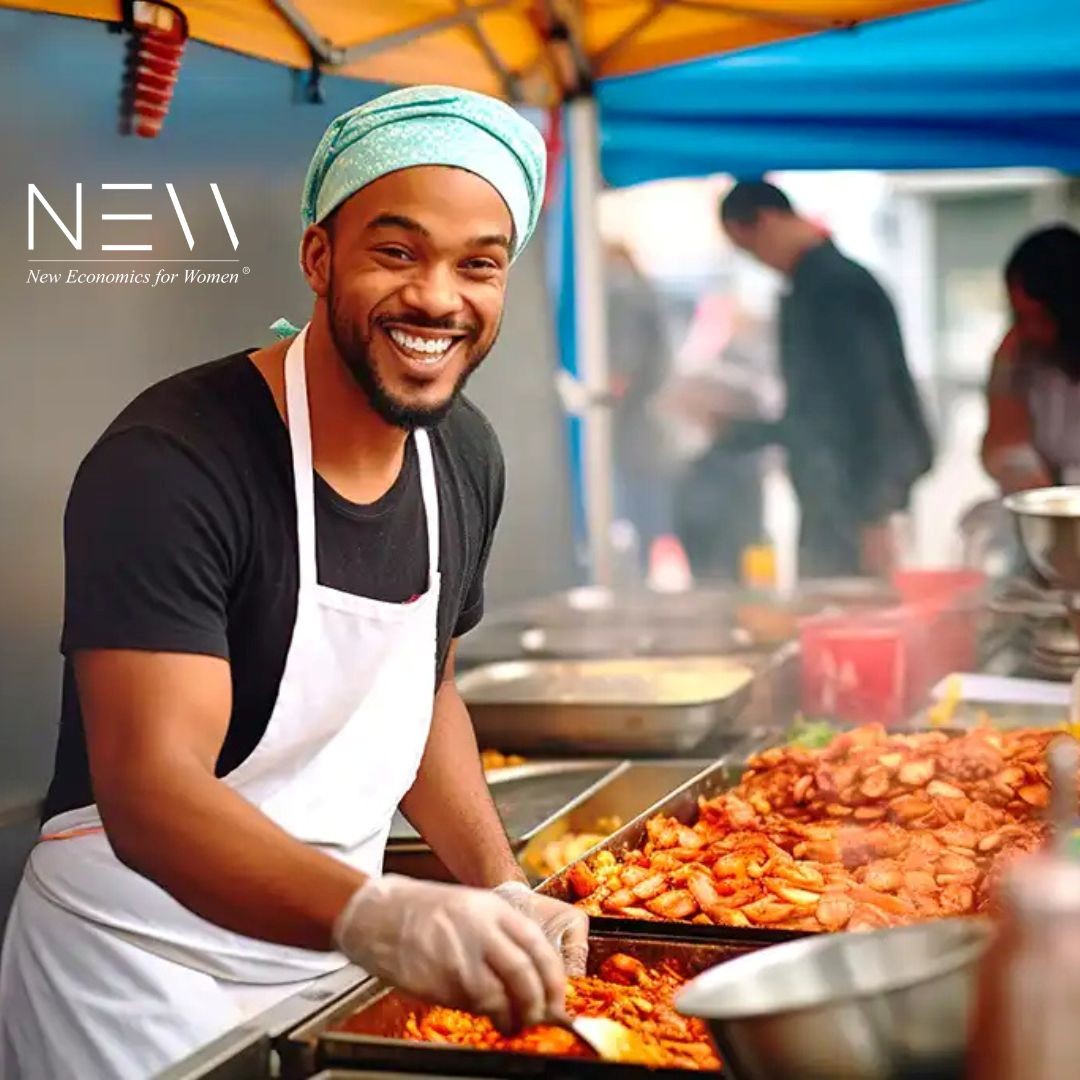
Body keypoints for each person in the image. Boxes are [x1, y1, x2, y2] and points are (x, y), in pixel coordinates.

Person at [0, 85, 587, 1080]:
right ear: (319, 256)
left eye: (477, 265)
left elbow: (421, 694)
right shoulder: (173, 461)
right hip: (135, 978)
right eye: (396, 252)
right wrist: (378, 912)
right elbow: (151, 790)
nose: (438, 298)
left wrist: (498, 886)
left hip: (326, 969)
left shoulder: (462, 457)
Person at [718, 181, 933, 578]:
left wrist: (876, 513)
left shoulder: (836, 286)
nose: (756, 260)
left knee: (858, 618)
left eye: (749, 247)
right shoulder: (809, 285)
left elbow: (874, 398)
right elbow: (815, 409)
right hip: (830, 491)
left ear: (768, 221)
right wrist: (741, 431)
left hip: (856, 496)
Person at [981, 224, 1080, 493]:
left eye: (1041, 317)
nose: (1030, 330)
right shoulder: (1016, 353)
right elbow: (1000, 439)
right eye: (1020, 316)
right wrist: (1017, 467)